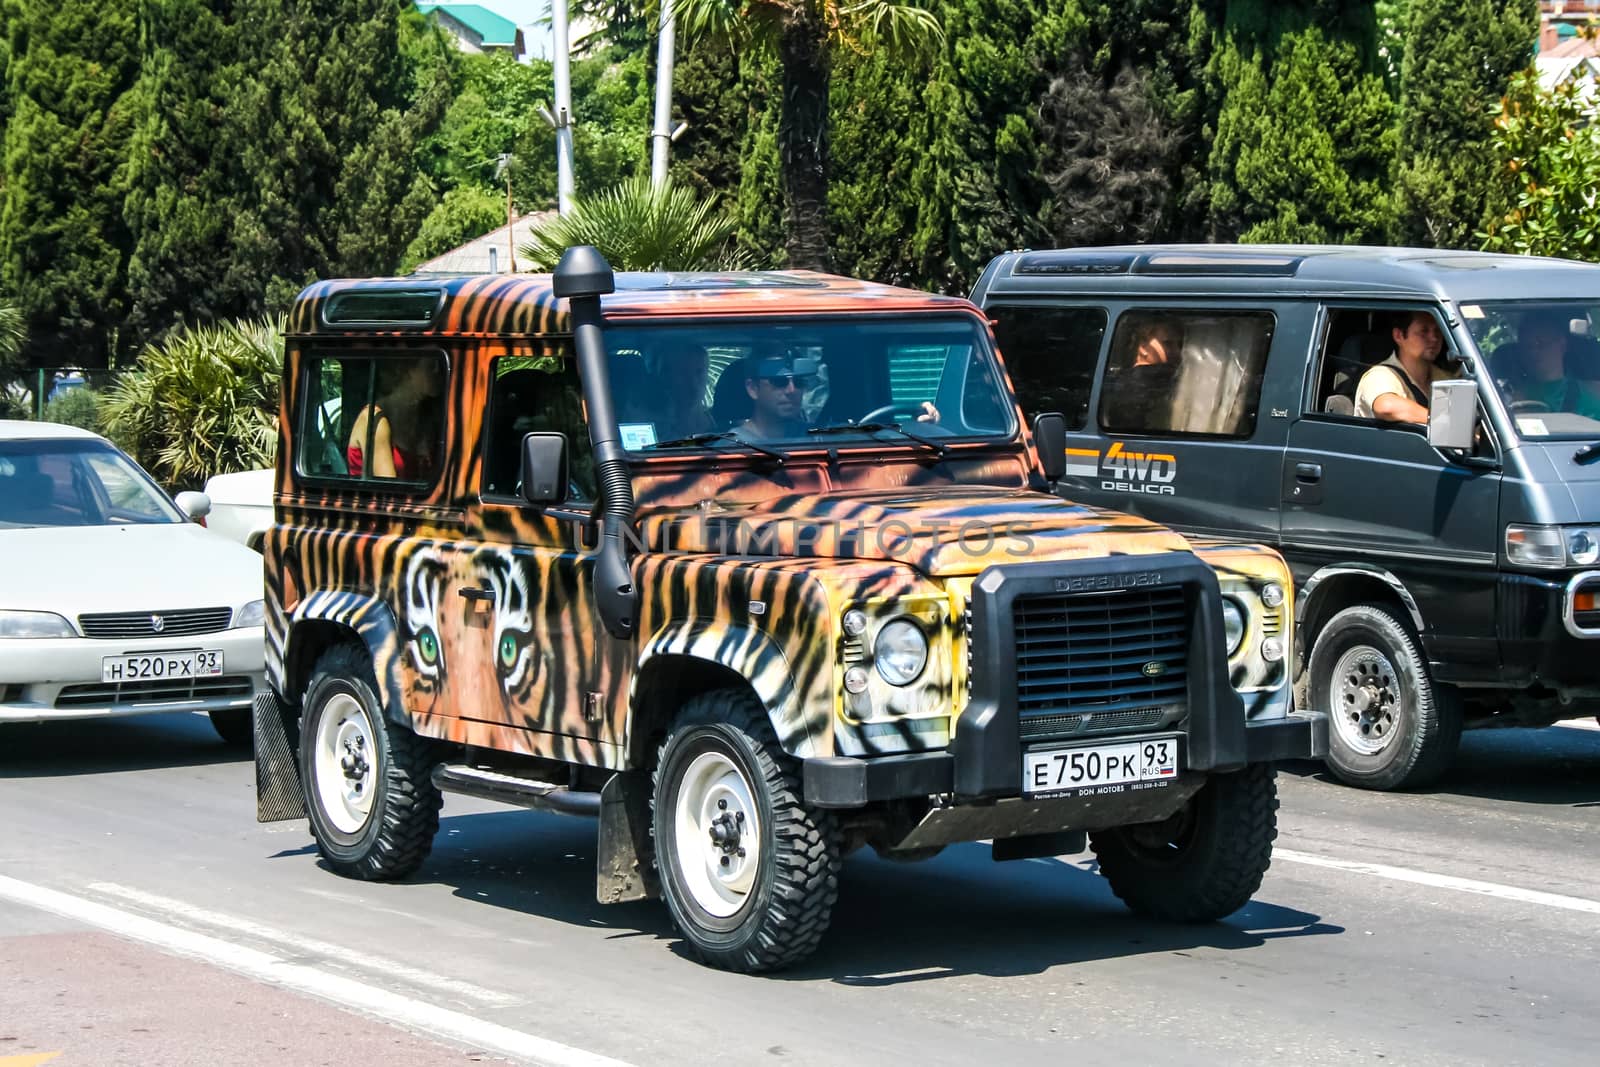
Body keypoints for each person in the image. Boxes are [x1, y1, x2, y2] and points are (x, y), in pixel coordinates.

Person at [1354, 311, 1457, 423]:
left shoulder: (1445, 378)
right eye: (1424, 331)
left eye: (1437, 331)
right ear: (1398, 335)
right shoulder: (1380, 375)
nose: (1434, 338)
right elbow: (1386, 406)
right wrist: (1445, 421)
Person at [347, 360, 443, 479]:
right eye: (432, 364)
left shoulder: (427, 417)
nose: (439, 371)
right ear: (409, 369)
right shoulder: (374, 419)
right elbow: (389, 493)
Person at [1503, 312, 1600, 419]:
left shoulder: (1594, 392)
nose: (1533, 352)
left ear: (1562, 344)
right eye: (1527, 346)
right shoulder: (1508, 399)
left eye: (1540, 343)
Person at [1101, 317, 1183, 429]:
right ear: (1143, 346)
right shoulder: (1145, 380)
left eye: (1180, 345)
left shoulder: (1117, 380)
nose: (1178, 352)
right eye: (1168, 344)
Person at [734, 354, 819, 440]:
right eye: (779, 381)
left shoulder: (819, 438)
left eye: (799, 382)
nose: (792, 390)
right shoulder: (732, 447)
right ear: (753, 388)